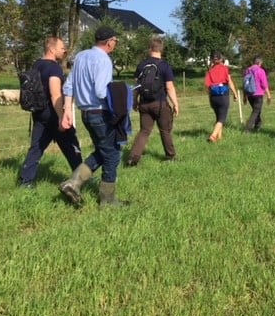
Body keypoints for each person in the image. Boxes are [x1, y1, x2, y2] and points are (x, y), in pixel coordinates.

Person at [58, 26, 127, 208]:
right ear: (108, 41)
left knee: (102, 151)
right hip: (101, 112)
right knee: (112, 154)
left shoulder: (80, 56)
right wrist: (122, 96)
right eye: (115, 41)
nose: (116, 44)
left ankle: (73, 183)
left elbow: (69, 86)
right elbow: (101, 90)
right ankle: (108, 200)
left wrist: (66, 111)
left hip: (86, 114)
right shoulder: (103, 60)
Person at [18, 37, 83, 188]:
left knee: (36, 148)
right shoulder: (54, 68)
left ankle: (25, 182)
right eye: (62, 47)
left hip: (39, 112)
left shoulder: (36, 64)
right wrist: (62, 116)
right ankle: (81, 178)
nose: (64, 50)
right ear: (52, 49)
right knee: (72, 146)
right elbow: (55, 93)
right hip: (53, 113)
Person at [126, 37, 179, 165]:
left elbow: (136, 86)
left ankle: (133, 158)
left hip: (144, 104)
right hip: (160, 104)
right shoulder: (164, 66)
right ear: (161, 50)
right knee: (165, 130)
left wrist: (134, 101)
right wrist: (175, 103)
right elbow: (169, 87)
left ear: (150, 49)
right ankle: (171, 156)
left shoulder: (142, 65)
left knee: (144, 131)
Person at [204, 52, 238, 142]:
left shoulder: (210, 70)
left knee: (218, 117)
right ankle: (213, 135)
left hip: (213, 96)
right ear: (221, 59)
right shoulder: (225, 69)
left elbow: (207, 86)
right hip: (223, 95)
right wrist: (235, 93)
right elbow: (229, 82)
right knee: (222, 118)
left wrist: (209, 97)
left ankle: (219, 137)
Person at [243, 56, 271, 133]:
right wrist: (268, 95)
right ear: (260, 62)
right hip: (258, 94)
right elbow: (264, 84)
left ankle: (257, 125)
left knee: (256, 110)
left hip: (249, 94)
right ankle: (247, 129)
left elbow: (245, 84)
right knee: (256, 111)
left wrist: (244, 96)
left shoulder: (247, 70)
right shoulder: (260, 71)